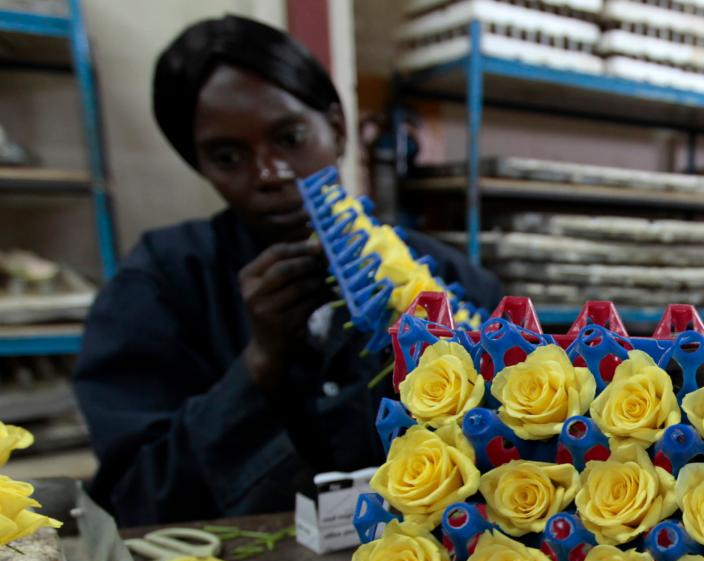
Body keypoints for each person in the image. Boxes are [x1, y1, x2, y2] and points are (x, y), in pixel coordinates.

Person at [73, 16, 502, 527]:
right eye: (228, 156)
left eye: (291, 138)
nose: (270, 173)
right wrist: (259, 364)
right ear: (199, 164)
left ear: (336, 128)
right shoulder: (157, 288)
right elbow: (134, 498)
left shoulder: (452, 281)